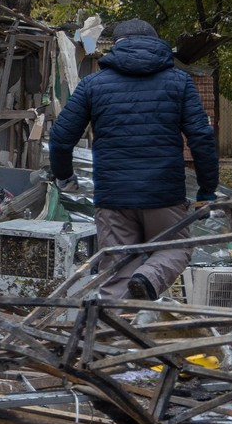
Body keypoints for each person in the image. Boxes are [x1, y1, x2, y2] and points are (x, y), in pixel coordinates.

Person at [48, 20, 219, 300]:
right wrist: (207, 190)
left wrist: (65, 177)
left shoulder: (93, 85)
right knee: (175, 247)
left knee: (117, 272)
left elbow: (60, 137)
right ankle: (148, 278)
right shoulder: (179, 82)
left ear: (115, 47)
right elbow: (201, 136)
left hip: (114, 197)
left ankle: (109, 338)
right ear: (157, 44)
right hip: (164, 195)